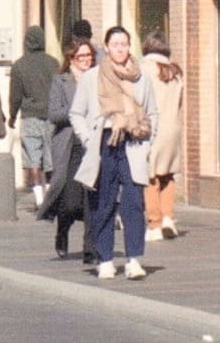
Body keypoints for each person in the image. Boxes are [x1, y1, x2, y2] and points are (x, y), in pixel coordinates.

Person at [71, 26, 157, 281]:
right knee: (104, 203)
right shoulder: (92, 77)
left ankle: (133, 260)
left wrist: (148, 142)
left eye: (125, 44)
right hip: (104, 142)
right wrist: (88, 138)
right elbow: (77, 113)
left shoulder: (141, 78)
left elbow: (153, 112)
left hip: (133, 143)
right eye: (115, 44)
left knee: (133, 202)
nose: (120, 49)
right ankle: (105, 259)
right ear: (106, 47)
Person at [38, 38, 97, 262]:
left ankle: (90, 249)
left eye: (89, 56)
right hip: (70, 145)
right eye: (81, 57)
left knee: (91, 197)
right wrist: (78, 110)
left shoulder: (99, 79)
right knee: (71, 202)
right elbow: (54, 113)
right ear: (71, 59)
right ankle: (62, 231)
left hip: (92, 144)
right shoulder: (61, 81)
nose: (86, 61)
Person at [137, 31, 184, 241]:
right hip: (172, 128)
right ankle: (168, 217)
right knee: (168, 174)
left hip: (153, 129)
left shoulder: (143, 69)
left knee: (150, 176)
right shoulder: (175, 72)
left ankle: (154, 223)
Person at [8, 26, 58, 208]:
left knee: (33, 159)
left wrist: (12, 116)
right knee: (50, 159)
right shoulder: (53, 63)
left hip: (29, 117)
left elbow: (15, 95)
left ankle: (39, 199)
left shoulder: (19, 66)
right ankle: (52, 196)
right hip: (51, 117)